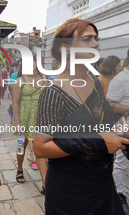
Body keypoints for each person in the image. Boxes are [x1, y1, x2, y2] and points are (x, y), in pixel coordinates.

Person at [34, 18, 127, 214]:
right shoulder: (53, 91)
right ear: (66, 48)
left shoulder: (94, 81)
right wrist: (99, 143)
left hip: (102, 183)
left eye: (96, 38)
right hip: (70, 191)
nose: (96, 43)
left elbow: (99, 123)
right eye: (87, 39)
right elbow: (41, 148)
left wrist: (117, 130)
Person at [11, 56, 47, 192]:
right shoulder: (20, 80)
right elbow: (15, 104)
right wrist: (18, 123)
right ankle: (19, 169)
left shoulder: (45, 80)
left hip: (40, 118)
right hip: (24, 118)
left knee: (40, 149)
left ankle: (45, 183)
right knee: (22, 145)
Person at [106, 49, 129, 214]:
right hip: (124, 124)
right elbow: (109, 104)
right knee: (122, 162)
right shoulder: (121, 79)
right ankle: (121, 195)